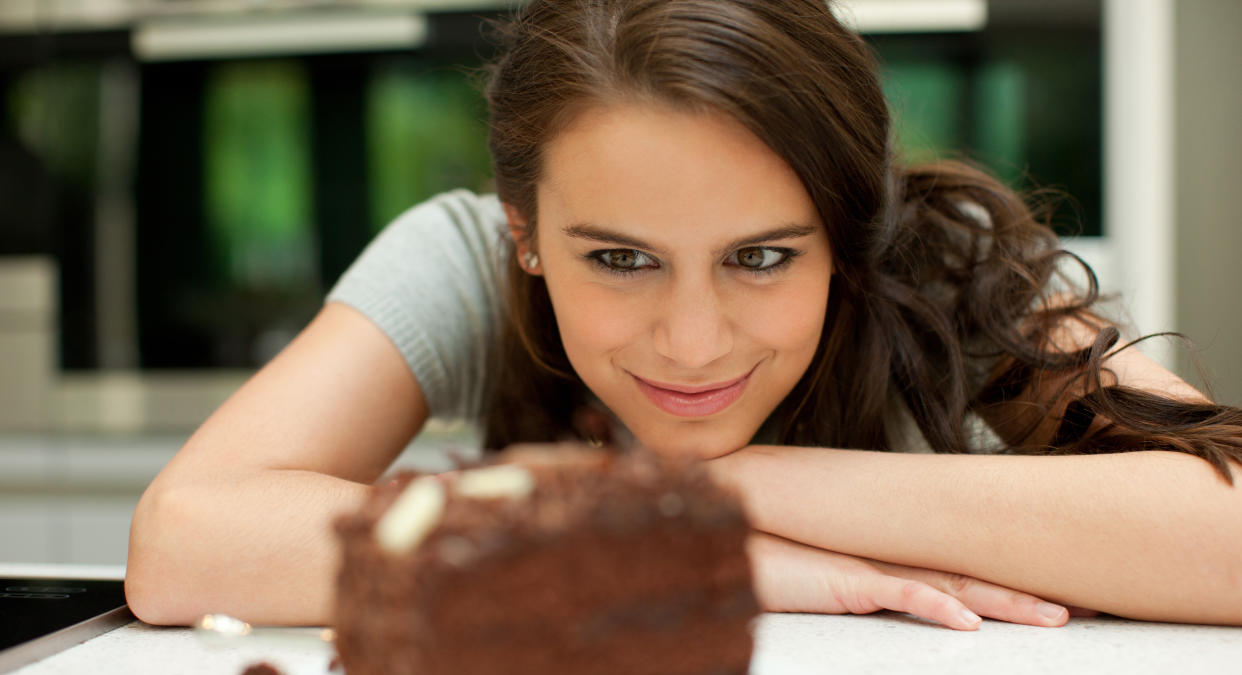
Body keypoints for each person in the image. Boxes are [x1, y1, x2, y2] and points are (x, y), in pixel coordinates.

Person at [125, 0, 1242, 629]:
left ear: (851, 227)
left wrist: (718, 487)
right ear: (524, 229)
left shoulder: (946, 260)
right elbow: (185, 544)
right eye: (619, 259)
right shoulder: (465, 259)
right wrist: (668, 551)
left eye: (761, 256)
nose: (694, 341)